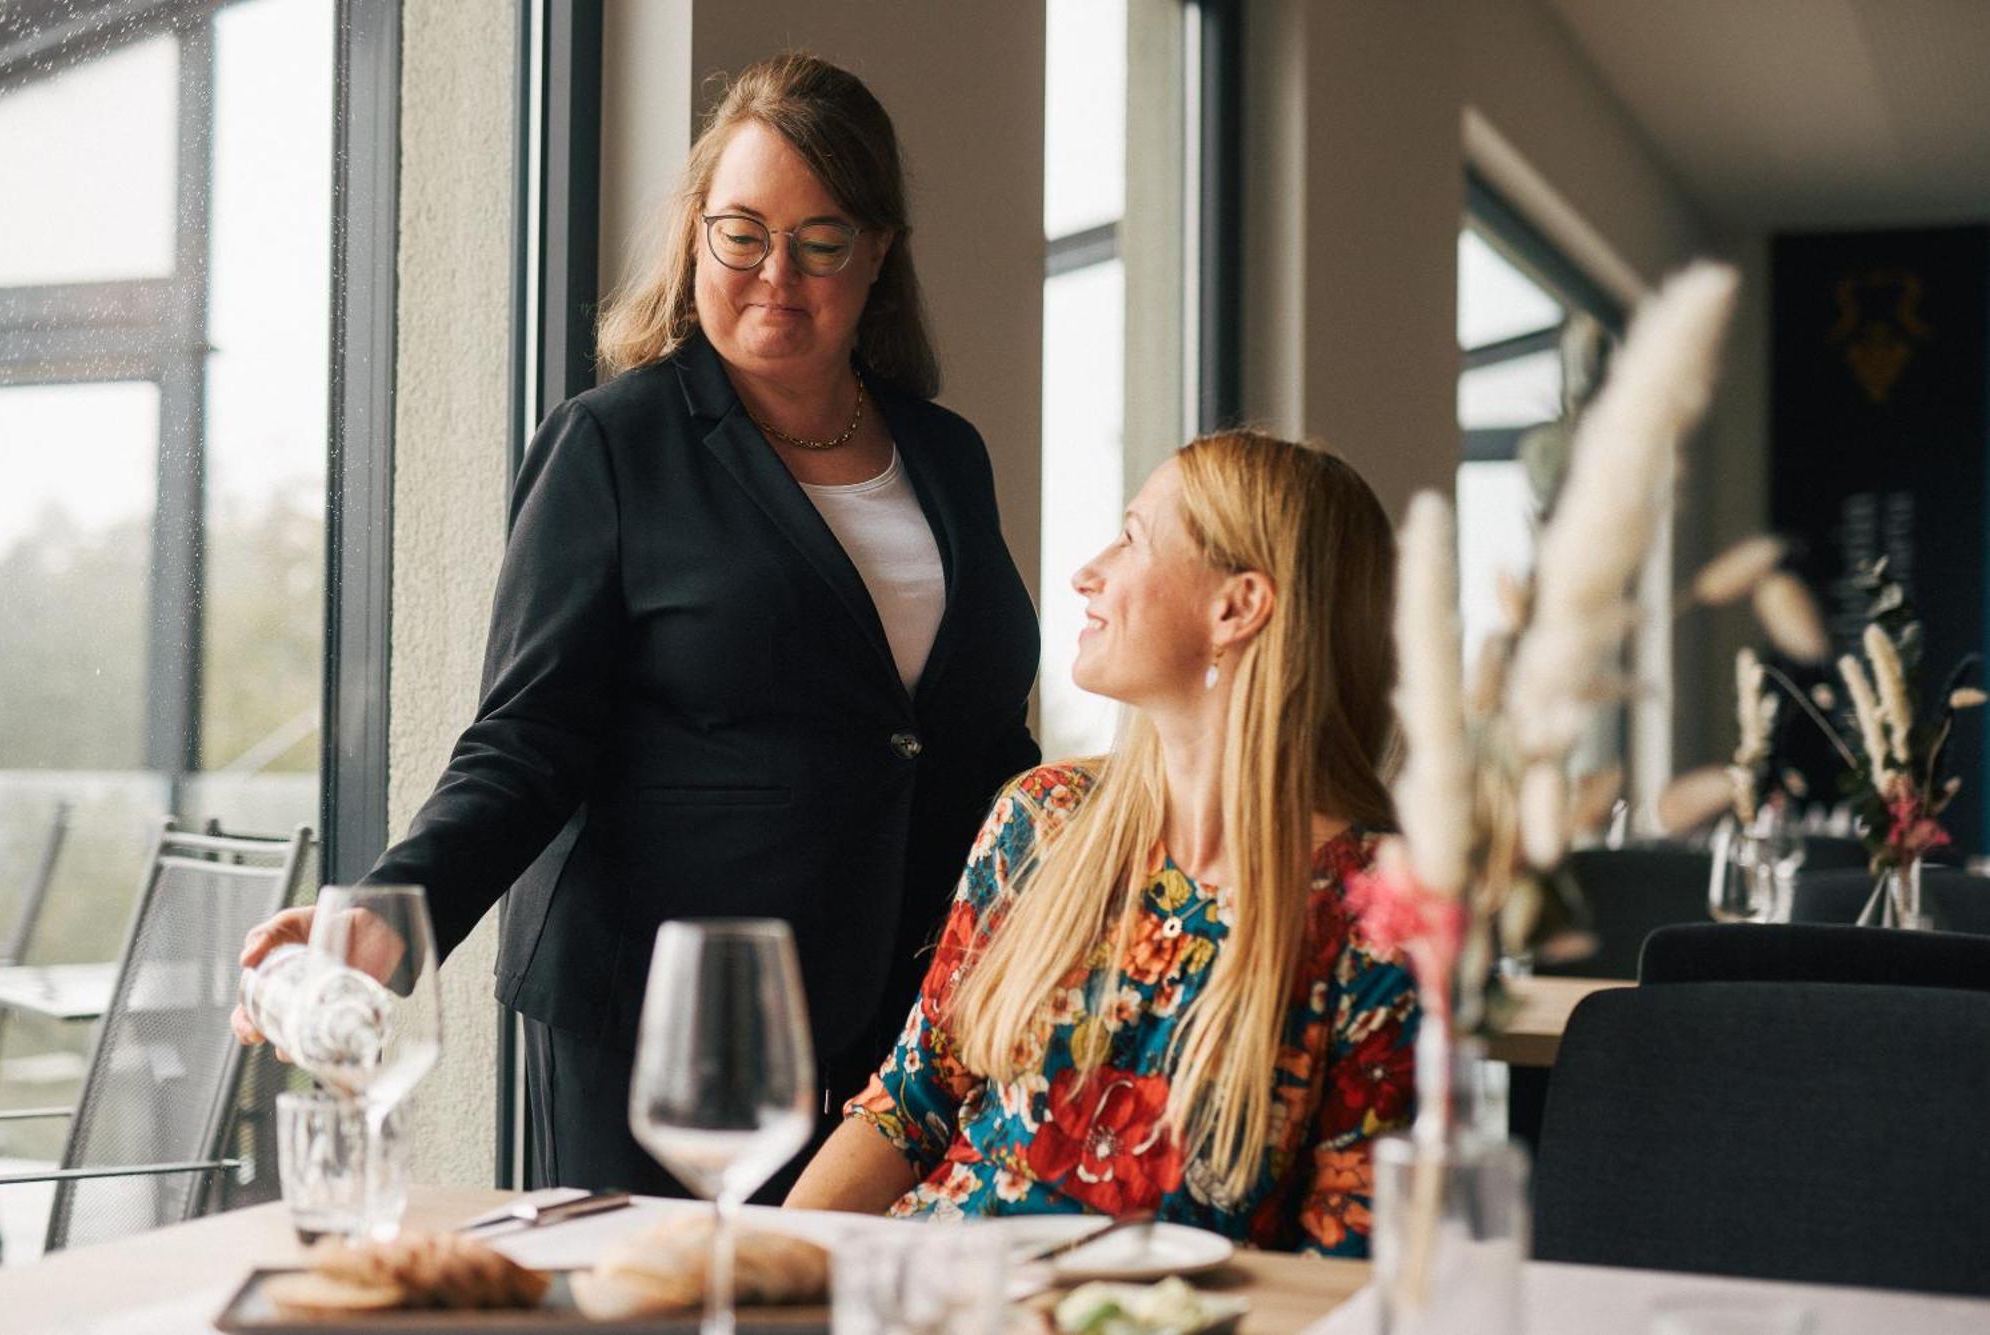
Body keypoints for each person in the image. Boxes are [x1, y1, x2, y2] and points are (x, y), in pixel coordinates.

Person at [234, 53, 1039, 1199]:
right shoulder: (612, 444)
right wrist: (384, 918)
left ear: (877, 256)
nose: (774, 275)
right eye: (741, 233)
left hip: (907, 1014)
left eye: (819, 242)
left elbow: (978, 740)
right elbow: (525, 739)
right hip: (663, 1014)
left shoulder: (946, 456)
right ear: (695, 234)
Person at [785, 432, 1417, 1254]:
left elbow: (1351, 1259)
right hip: (931, 1297)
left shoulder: (1380, 909)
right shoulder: (1044, 819)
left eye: (1133, 536)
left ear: (1237, 606)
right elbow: (909, 1107)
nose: (1090, 571)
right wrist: (763, 1270)